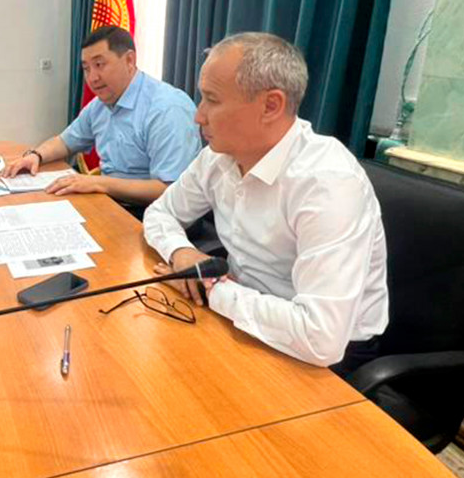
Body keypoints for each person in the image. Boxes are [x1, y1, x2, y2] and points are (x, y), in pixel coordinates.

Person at [142, 32, 388, 374]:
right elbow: (161, 212)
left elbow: (321, 339)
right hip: (243, 316)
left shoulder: (327, 183)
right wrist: (181, 253)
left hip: (326, 360)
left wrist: (211, 289)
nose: (199, 116)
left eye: (212, 100)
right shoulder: (219, 157)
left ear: (271, 106)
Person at [1, 26, 199, 207]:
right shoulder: (100, 105)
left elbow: (170, 190)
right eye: (86, 68)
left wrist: (99, 183)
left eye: (99, 64)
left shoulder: (167, 108)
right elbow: (65, 142)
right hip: (111, 202)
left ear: (129, 60)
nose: (92, 78)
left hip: (154, 213)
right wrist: (36, 155)